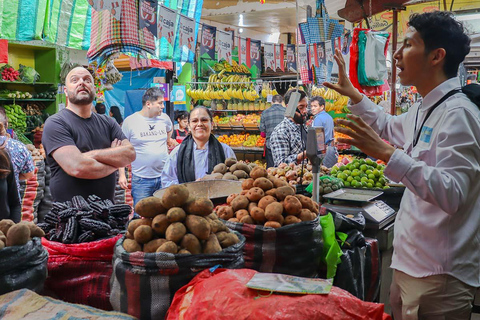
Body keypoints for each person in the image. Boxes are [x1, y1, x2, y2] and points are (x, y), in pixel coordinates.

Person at [324, 11, 478, 319]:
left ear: (437, 56)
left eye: (407, 45)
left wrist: (386, 154)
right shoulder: (424, 107)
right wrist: (354, 94)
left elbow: (453, 193)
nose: (395, 55)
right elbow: (387, 124)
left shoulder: (459, 115)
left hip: (439, 277)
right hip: (410, 266)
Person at [42, 67, 136, 202]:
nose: (82, 83)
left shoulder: (108, 122)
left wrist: (89, 156)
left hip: (106, 212)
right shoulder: (56, 123)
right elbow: (78, 168)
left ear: (94, 88)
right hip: (70, 215)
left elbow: (130, 153)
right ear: (65, 91)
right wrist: (114, 158)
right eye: (75, 80)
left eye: (87, 80)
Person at [118, 87, 175, 207]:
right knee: (141, 217)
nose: (163, 106)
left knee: (165, 214)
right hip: (141, 181)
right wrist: (122, 174)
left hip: (164, 177)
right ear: (148, 104)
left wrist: (168, 140)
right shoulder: (130, 122)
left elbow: (169, 129)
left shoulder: (164, 118)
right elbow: (121, 150)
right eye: (160, 103)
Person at [162, 106, 236, 187]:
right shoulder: (177, 153)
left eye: (204, 120)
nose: (199, 124)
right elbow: (167, 181)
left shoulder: (225, 151)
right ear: (189, 126)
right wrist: (189, 187)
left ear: (212, 124)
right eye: (195, 121)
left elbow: (235, 179)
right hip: (187, 199)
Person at [269, 90, 308, 167]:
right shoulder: (281, 132)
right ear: (289, 108)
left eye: (306, 107)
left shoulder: (303, 127)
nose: (305, 111)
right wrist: (304, 155)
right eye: (301, 107)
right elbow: (281, 163)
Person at [0, 121, 35, 198]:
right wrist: (13, 176)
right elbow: (29, 173)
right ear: (6, 125)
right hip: (11, 200)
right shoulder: (19, 146)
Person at [259, 94, 286, 168]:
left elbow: (262, 133)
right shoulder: (287, 111)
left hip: (270, 145)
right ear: (282, 102)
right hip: (284, 146)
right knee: (283, 169)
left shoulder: (265, 112)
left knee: (271, 170)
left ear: (272, 102)